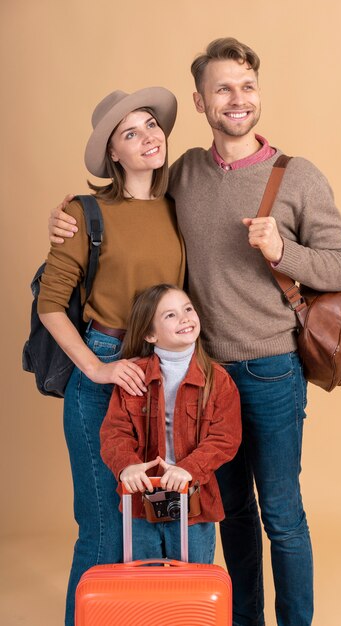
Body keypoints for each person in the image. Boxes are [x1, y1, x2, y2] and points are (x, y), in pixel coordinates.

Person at [48, 38, 341, 626]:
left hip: (269, 369)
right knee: (228, 512)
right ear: (200, 101)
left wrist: (283, 250)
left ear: (258, 94)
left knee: (283, 516)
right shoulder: (185, 171)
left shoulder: (298, 176)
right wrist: (67, 216)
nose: (236, 99)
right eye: (222, 88)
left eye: (246, 86)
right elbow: (125, 214)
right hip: (201, 375)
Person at [38, 87, 185, 626]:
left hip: (164, 373)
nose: (148, 136)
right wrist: (97, 367)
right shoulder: (84, 213)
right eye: (131, 133)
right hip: (105, 369)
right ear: (112, 157)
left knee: (153, 523)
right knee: (104, 528)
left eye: (151, 124)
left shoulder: (177, 207)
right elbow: (52, 303)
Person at [100, 283, 241, 563]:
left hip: (194, 502)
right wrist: (126, 465)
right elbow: (115, 432)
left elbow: (225, 437)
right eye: (170, 315)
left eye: (187, 309)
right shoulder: (133, 377)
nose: (185, 318)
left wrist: (188, 469)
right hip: (142, 501)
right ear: (150, 334)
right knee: (146, 583)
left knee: (193, 584)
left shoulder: (218, 379)